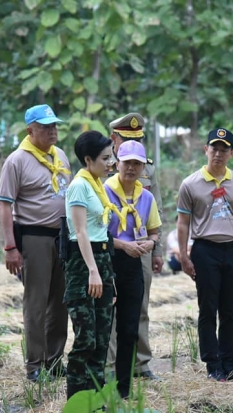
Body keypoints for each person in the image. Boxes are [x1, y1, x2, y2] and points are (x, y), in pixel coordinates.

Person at [0, 104, 71, 382]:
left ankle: (54, 360)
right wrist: (10, 247)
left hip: (61, 236)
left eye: (54, 126)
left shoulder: (60, 156)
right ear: (30, 130)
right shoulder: (17, 160)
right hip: (34, 237)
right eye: (45, 127)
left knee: (60, 301)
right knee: (36, 303)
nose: (53, 131)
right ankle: (35, 364)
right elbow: (4, 205)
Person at [177, 128, 233, 382]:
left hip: (232, 249)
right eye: (214, 148)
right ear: (205, 150)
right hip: (204, 250)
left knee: (229, 310)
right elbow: (183, 222)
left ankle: (229, 364)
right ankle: (212, 364)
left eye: (224, 149)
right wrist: (184, 255)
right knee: (208, 308)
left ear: (232, 153)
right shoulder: (191, 184)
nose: (218, 154)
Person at [106, 112, 163, 381]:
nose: (132, 167)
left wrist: (156, 250)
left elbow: (156, 210)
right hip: (112, 248)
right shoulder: (102, 169)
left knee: (139, 307)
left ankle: (140, 363)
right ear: (114, 140)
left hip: (141, 249)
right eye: (126, 139)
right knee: (110, 308)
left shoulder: (147, 169)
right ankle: (112, 364)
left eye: (137, 139)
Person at [64, 131, 117, 399]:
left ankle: (96, 400)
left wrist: (109, 278)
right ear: (88, 159)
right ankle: (76, 398)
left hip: (103, 261)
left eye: (112, 156)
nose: (112, 163)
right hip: (84, 264)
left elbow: (101, 233)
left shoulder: (98, 185)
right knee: (85, 339)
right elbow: (80, 232)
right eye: (106, 158)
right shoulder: (79, 186)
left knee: (101, 339)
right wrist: (93, 272)